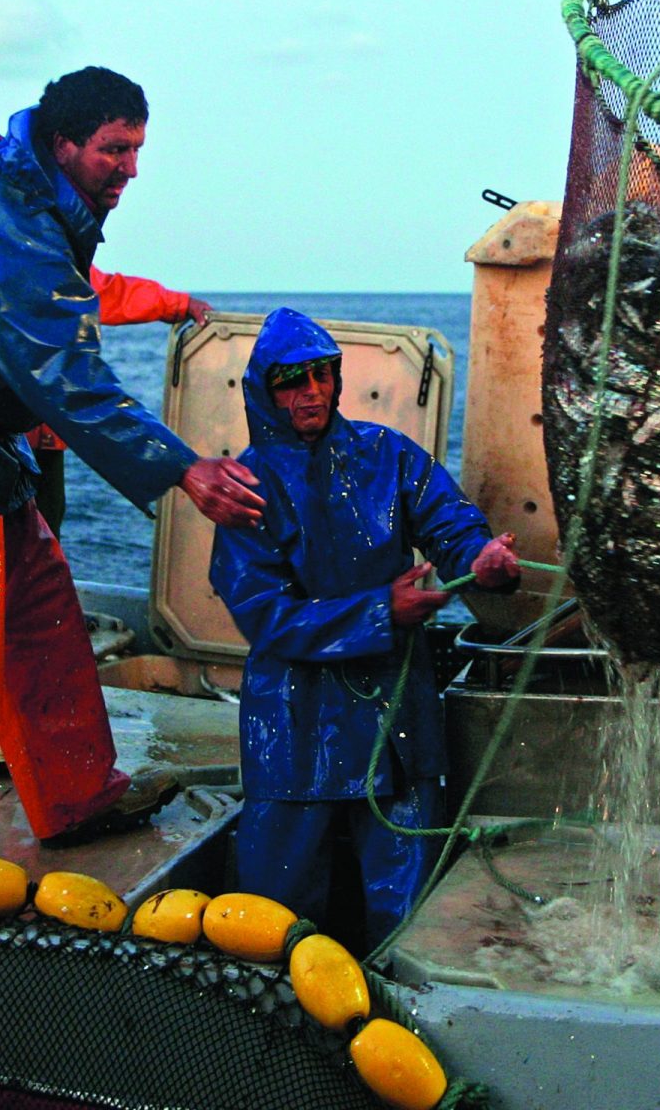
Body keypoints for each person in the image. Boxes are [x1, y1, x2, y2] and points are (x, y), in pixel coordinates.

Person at [0, 65, 264, 873]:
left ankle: (76, 795)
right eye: (114, 149)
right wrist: (184, 470)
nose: (130, 169)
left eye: (137, 150)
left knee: (44, 626)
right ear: (65, 143)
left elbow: (55, 320)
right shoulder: (3, 221)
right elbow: (65, 374)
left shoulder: (36, 201)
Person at [209, 308, 521, 945]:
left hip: (394, 720)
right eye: (294, 380)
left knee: (406, 913)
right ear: (264, 393)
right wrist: (384, 612)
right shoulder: (245, 486)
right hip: (291, 726)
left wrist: (482, 560)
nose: (314, 391)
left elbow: (450, 523)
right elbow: (264, 615)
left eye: (324, 374)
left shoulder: (388, 455)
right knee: (275, 914)